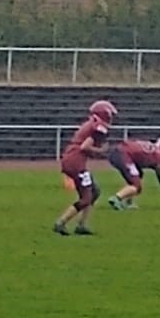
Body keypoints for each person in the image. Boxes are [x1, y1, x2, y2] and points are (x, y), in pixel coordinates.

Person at [54, 100, 114, 235]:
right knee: (86, 198)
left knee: (95, 191)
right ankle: (61, 222)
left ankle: (82, 224)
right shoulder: (98, 128)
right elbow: (85, 147)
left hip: (72, 158)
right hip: (76, 162)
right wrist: (101, 151)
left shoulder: (89, 123)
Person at [107, 135, 160, 210]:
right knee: (137, 186)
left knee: (139, 175)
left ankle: (129, 202)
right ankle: (116, 198)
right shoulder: (158, 156)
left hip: (118, 152)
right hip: (124, 156)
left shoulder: (151, 148)